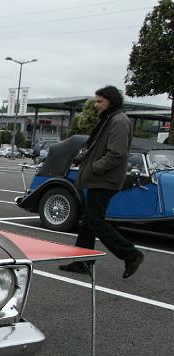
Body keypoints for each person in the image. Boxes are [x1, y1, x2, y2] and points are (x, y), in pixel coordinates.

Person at [59, 86, 144, 278]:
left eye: (100, 101)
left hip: (105, 178)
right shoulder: (110, 118)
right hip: (100, 178)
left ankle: (131, 254)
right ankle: (83, 262)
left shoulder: (119, 121)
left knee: (95, 220)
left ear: (111, 100)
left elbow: (117, 154)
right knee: (89, 221)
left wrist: (94, 167)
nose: (96, 105)